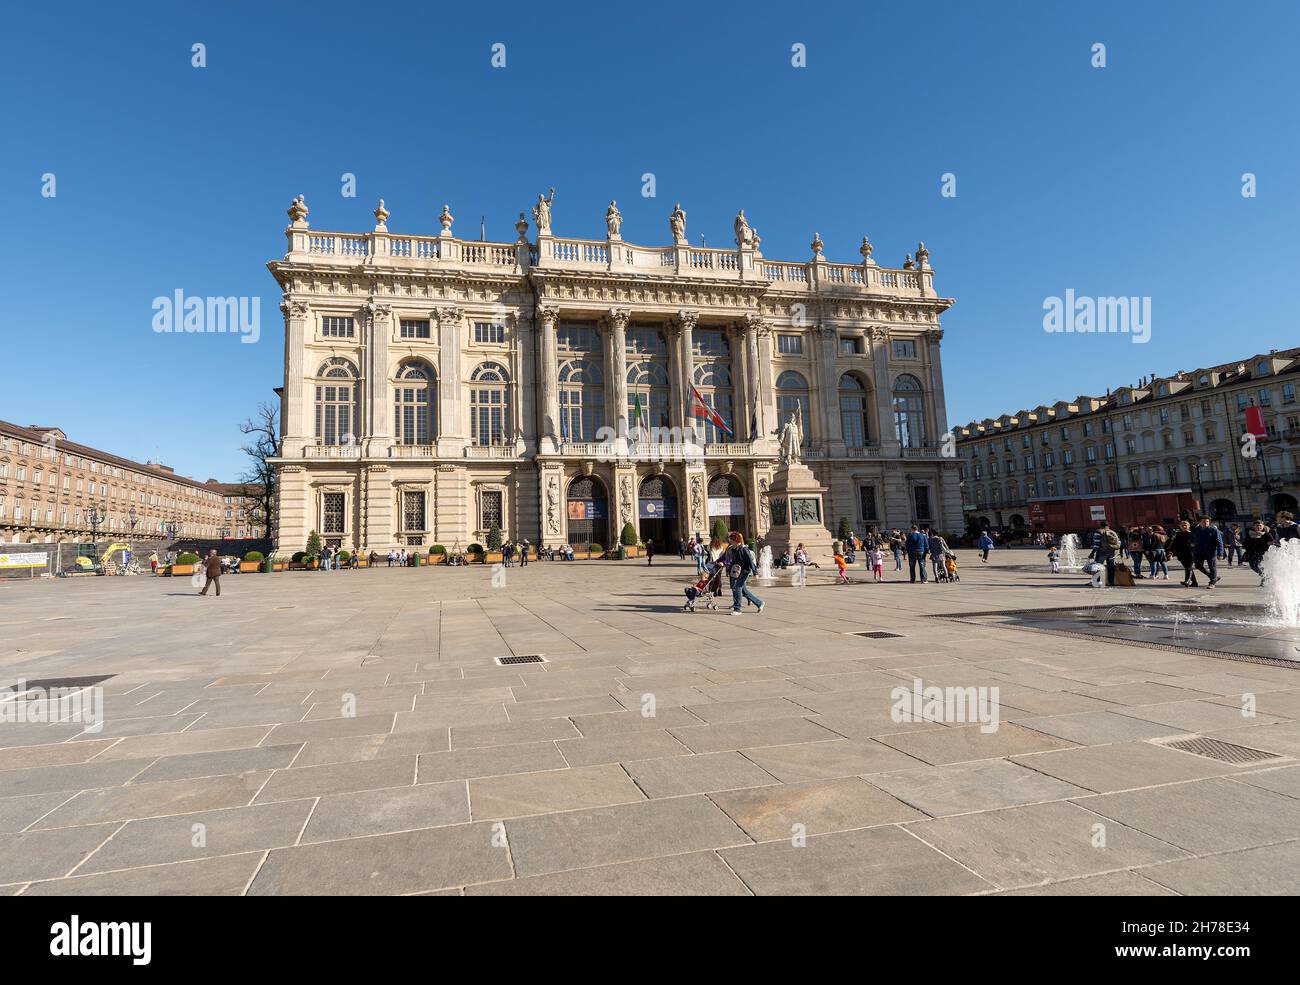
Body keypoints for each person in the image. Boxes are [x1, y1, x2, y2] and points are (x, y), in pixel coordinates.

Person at [723, 532, 763, 615]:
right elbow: (730, 560)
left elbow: (750, 561)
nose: (729, 541)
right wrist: (727, 568)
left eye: (731, 540)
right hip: (736, 571)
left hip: (744, 571)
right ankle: (759, 603)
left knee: (738, 587)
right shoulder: (732, 549)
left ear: (736, 540)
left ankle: (737, 609)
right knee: (743, 591)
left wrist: (755, 572)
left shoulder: (744, 549)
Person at [1191, 516, 1222, 589]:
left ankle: (1212, 582)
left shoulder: (1213, 530)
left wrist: (1220, 553)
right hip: (1198, 551)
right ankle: (1213, 577)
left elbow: (1219, 542)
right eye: (1203, 521)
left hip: (1210, 551)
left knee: (1212, 567)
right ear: (1199, 522)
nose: (1205, 523)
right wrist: (1192, 544)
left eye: (1207, 521)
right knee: (1198, 565)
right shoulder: (1195, 530)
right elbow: (1191, 539)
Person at [1243, 519, 1272, 585]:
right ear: (1254, 526)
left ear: (1263, 526)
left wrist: (1269, 543)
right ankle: (1265, 576)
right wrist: (1246, 546)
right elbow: (1245, 542)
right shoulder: (1250, 533)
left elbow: (1272, 541)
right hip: (1252, 552)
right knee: (1252, 566)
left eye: (1260, 525)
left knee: (1260, 566)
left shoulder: (1266, 534)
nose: (1259, 527)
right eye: (1257, 526)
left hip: (1262, 553)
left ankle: (1265, 577)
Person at [1093, 521, 1121, 587]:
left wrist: (1092, 553)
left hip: (1102, 552)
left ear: (1101, 525)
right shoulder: (1113, 532)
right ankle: (1111, 582)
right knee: (1111, 567)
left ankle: (1097, 582)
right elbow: (1119, 542)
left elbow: (1096, 544)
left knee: (1098, 567)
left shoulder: (1098, 531)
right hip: (1112, 552)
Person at [1169, 519, 1196, 586]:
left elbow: (1197, 543)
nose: (1184, 526)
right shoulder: (1178, 534)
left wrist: (1193, 545)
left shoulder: (1192, 534)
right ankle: (1194, 583)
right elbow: (1174, 544)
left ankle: (1187, 581)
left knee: (1188, 567)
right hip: (1181, 554)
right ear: (1180, 526)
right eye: (1182, 525)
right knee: (1188, 568)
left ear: (1189, 526)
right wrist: (1171, 552)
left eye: (1185, 525)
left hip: (1191, 554)